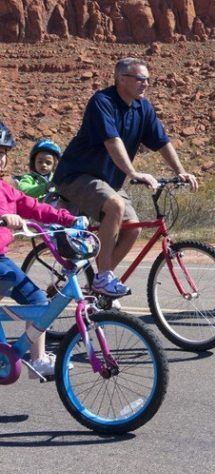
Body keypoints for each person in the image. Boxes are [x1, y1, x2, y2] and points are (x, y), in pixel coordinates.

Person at [53, 57, 198, 298]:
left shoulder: (143, 108)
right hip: (77, 175)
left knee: (132, 228)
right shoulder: (103, 102)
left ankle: (102, 280)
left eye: (148, 79)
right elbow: (112, 141)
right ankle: (102, 279)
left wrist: (180, 171)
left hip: (108, 181)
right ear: (121, 79)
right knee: (115, 205)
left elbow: (162, 142)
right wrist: (133, 173)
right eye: (140, 79)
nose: (146, 84)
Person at [0, 121, 87, 377]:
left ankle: (38, 359)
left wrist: (69, 219)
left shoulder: (7, 190)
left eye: (3, 154)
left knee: (39, 301)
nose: (1, 160)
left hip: (1, 261)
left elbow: (37, 208)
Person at [15, 137, 62, 202]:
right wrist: (45, 187)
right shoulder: (29, 178)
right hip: (33, 209)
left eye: (48, 163)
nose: (44, 165)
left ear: (54, 165)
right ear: (34, 162)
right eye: (40, 162)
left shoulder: (55, 179)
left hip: (52, 209)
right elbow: (24, 190)